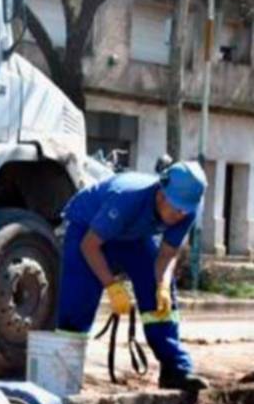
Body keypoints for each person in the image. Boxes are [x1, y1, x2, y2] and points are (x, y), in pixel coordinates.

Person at [58, 161, 210, 392]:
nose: (180, 215)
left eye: (184, 210)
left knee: (159, 298)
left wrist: (163, 284)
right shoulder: (127, 198)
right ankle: (61, 373)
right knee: (78, 299)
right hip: (87, 229)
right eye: (176, 208)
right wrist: (111, 285)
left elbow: (167, 254)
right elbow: (90, 246)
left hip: (134, 234)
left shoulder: (188, 209)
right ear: (161, 193)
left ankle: (175, 369)